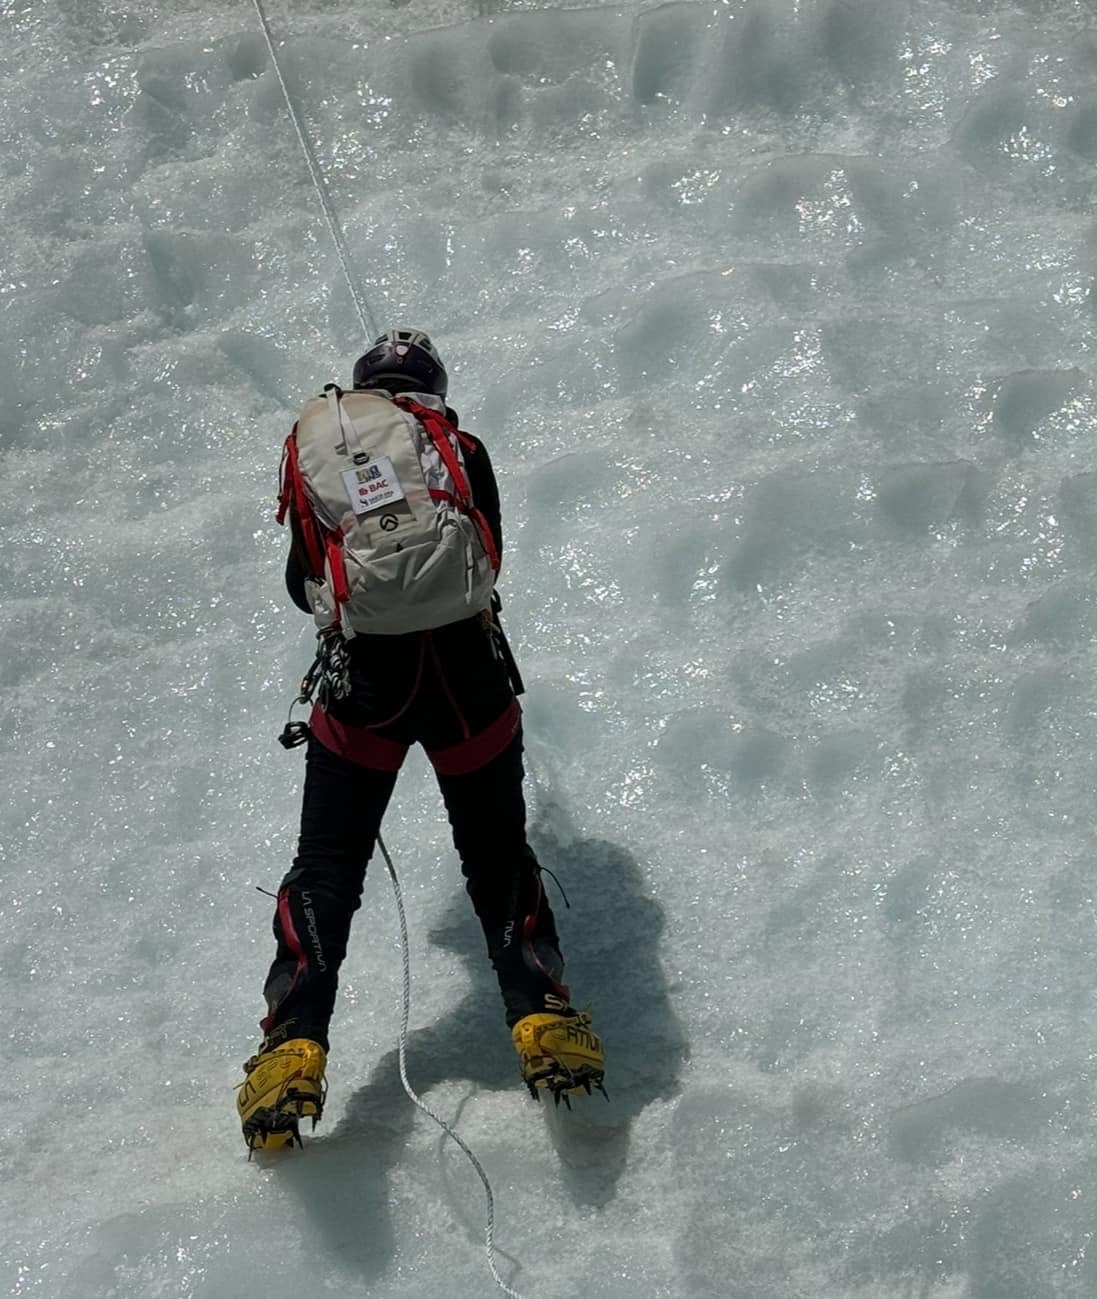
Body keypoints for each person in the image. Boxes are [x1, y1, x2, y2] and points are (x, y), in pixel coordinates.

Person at [236, 328, 605, 1152]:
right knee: (497, 853)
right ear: (433, 388)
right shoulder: (459, 447)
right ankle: (543, 1020)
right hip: (467, 682)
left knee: (328, 866)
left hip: (366, 686)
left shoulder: (322, 451)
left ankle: (292, 1045)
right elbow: (490, 555)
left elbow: (303, 585)